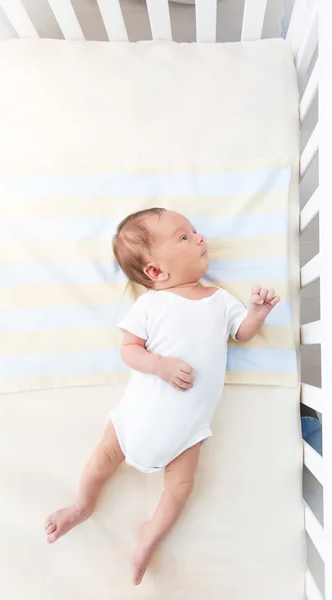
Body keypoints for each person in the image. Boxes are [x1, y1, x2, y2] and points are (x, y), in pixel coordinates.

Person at [44, 208, 280, 585]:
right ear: (155, 271)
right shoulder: (151, 305)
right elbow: (129, 350)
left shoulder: (220, 299)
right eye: (184, 237)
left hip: (188, 432)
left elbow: (243, 333)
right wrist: (160, 366)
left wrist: (257, 313)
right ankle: (81, 505)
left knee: (181, 488)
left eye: (195, 232)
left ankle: (151, 533)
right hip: (133, 421)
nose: (200, 238)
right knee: (102, 460)